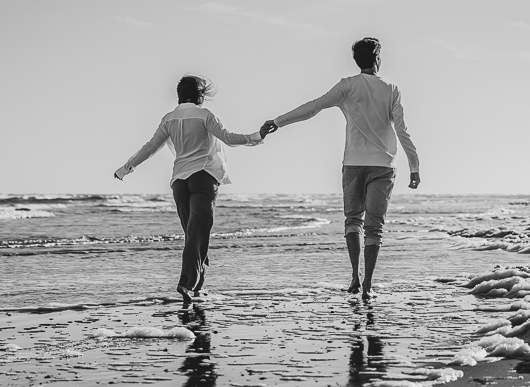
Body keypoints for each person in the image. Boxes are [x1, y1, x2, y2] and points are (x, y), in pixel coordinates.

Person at [262, 37, 419, 300]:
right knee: (374, 226)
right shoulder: (391, 89)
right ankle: (368, 284)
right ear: (378, 58)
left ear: (357, 60)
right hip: (383, 165)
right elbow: (402, 130)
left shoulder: (347, 86)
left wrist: (278, 121)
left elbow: (312, 108)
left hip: (354, 164)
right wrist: (414, 165)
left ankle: (355, 278)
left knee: (353, 221)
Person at [114, 75, 266, 303]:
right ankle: (186, 283)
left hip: (180, 182)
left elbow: (150, 148)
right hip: (204, 178)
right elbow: (228, 138)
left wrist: (126, 168)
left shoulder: (168, 119)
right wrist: (257, 136)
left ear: (179, 95)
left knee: (193, 235)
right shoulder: (205, 115)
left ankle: (196, 287)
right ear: (200, 96)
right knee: (197, 233)